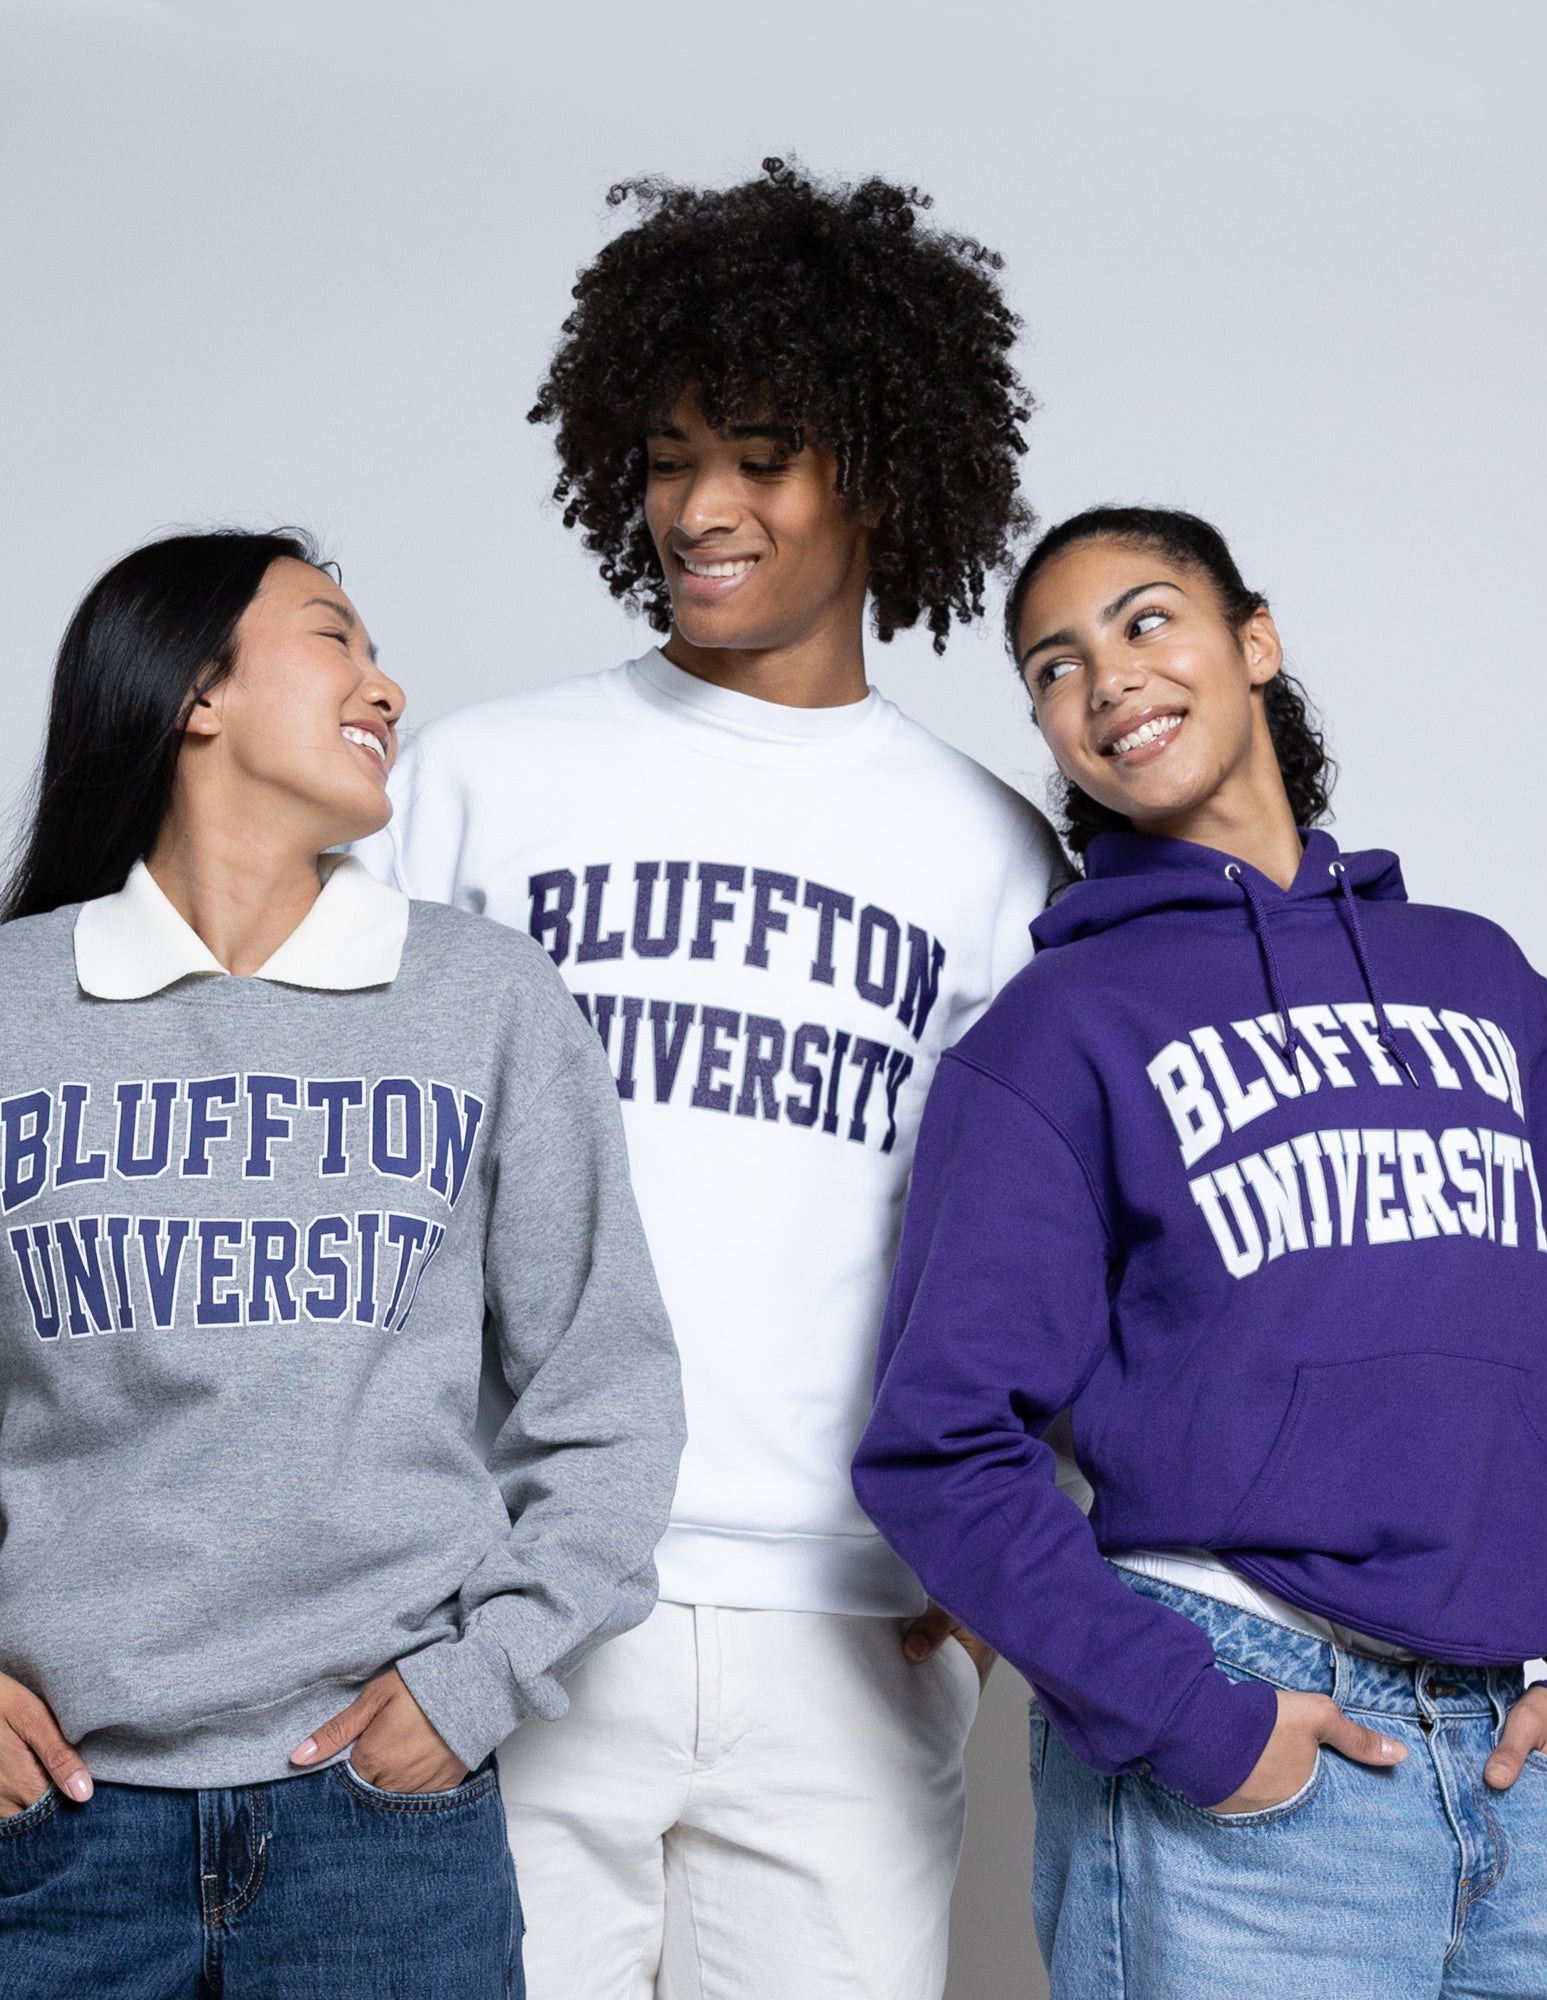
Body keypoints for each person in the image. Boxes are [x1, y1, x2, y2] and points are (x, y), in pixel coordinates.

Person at [0, 530, 684, 1999]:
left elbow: (610, 1395)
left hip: (384, 1831)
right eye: (334, 638)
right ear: (194, 694)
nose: (386, 684)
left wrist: (477, 1680)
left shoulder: (483, 1001)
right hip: (66, 1833)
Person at [359, 161, 1068, 1998]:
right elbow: (342, 1167)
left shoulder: (987, 853)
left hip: (853, 1621)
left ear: (882, 478)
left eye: (759, 455)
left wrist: (999, 1567)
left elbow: (1053, 1245)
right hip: (513, 1592)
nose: (700, 506)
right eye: (670, 458)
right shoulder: (479, 785)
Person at [854, 505, 1547, 1999]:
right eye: (1054, 664)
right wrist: (1198, 1723)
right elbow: (939, 1447)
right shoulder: (1057, 1036)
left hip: (1507, 1764)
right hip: (1243, 1743)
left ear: (1255, 643)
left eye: (1146, 620)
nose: (1106, 679)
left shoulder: (1478, 978)